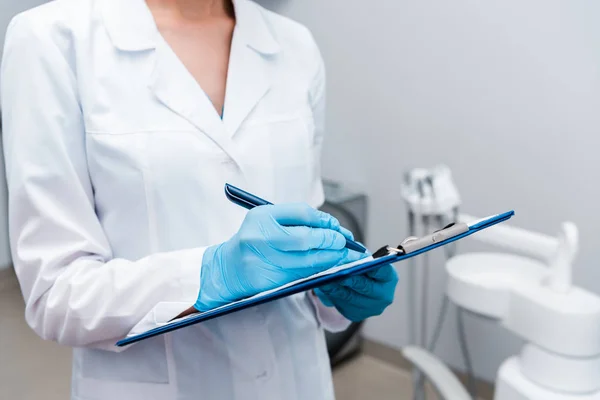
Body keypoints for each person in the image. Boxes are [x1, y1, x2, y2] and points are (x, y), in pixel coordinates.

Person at [1, 0, 399, 398]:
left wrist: (337, 286)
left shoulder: (295, 45)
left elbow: (303, 236)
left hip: (296, 381)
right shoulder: (52, 40)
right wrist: (210, 274)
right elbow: (55, 294)